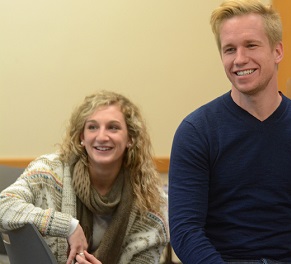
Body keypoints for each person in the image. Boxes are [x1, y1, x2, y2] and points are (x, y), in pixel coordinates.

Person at [168, 0, 291, 263]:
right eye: (229, 49)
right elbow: (185, 232)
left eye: (251, 45)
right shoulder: (196, 132)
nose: (240, 59)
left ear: (277, 51)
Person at [0, 90, 169, 264]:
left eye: (113, 127)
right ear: (82, 137)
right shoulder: (49, 171)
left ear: (130, 139)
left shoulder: (150, 202)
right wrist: (68, 226)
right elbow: (3, 205)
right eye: (92, 127)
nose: (102, 137)